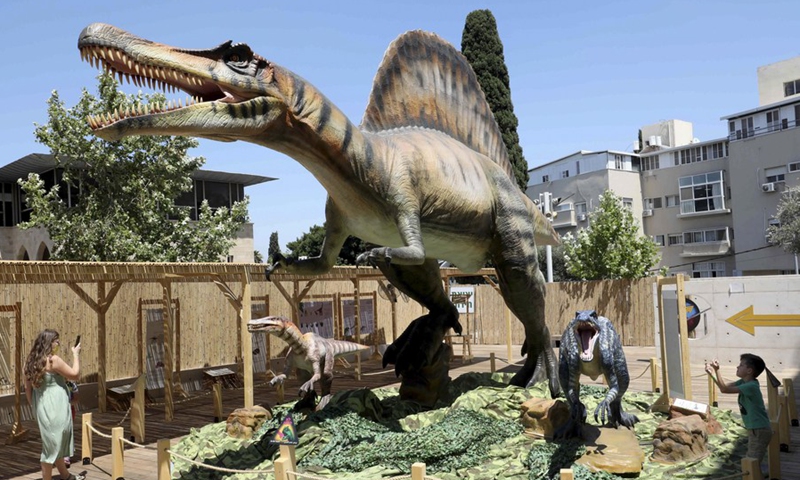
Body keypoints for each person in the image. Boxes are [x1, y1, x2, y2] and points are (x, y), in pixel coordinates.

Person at [24, 329, 81, 480]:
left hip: (41, 405)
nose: (58, 343)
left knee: (54, 440)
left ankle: (65, 475)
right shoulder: (53, 360)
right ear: (49, 342)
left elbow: (27, 388)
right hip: (56, 406)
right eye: (56, 340)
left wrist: (34, 406)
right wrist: (75, 354)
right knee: (53, 444)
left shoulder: (30, 361)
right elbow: (75, 374)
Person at [706, 354, 773, 468]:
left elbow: (724, 389)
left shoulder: (751, 386)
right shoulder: (744, 382)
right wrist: (712, 374)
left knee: (752, 464)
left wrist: (717, 370)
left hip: (759, 430)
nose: (737, 367)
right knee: (751, 462)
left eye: (741, 365)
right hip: (755, 429)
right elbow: (724, 386)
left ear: (749, 371)